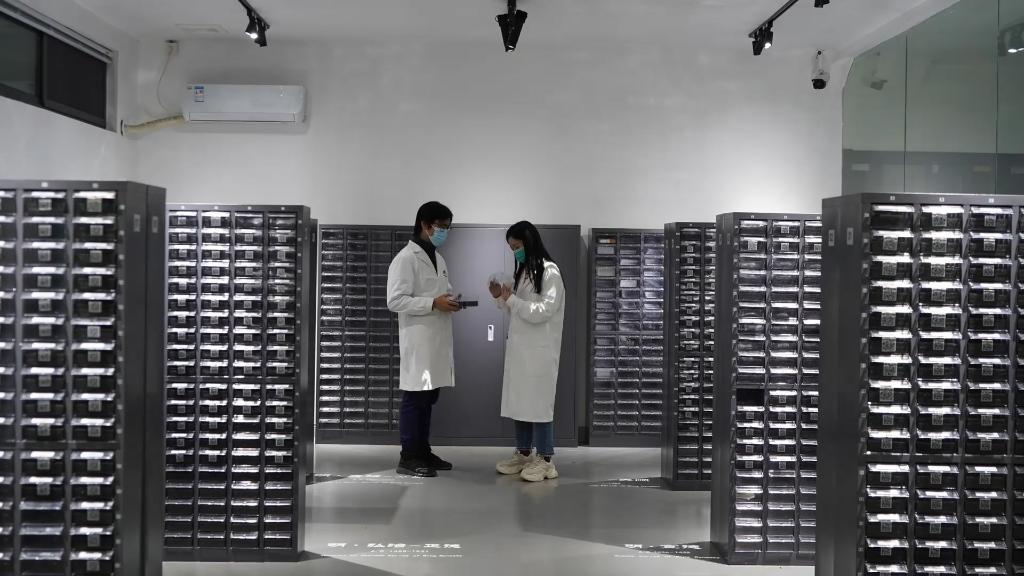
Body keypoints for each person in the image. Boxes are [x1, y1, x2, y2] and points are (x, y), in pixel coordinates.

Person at [387, 201, 460, 477]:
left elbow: (442, 291)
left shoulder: (439, 259)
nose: (444, 232)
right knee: (415, 398)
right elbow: (395, 300)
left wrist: (451, 300)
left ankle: (423, 451)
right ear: (425, 225)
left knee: (429, 397)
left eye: (448, 228)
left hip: (436, 340)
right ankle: (408, 456)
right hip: (418, 341)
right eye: (441, 227)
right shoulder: (406, 258)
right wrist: (432, 303)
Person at [490, 221, 566, 482]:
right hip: (521, 352)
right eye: (512, 248)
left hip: (540, 353)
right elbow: (516, 310)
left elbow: (543, 311)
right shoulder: (525, 272)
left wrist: (511, 299)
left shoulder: (550, 272)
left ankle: (546, 460)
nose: (516, 252)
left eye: (518, 246)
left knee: (539, 405)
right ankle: (524, 453)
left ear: (530, 241)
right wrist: (500, 297)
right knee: (521, 403)